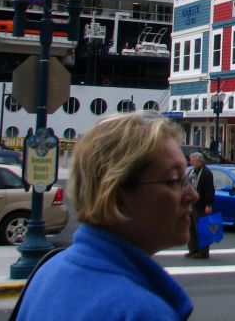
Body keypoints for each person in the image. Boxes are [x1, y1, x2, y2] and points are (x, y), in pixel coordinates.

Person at [14, 112, 196, 320]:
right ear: (118, 198)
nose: (192, 194)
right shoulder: (142, 311)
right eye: (174, 180)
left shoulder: (47, 274)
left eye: (187, 178)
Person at [186, 152, 215, 259]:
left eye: (194, 160)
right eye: (191, 160)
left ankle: (203, 252)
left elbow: (210, 191)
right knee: (191, 228)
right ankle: (193, 250)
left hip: (201, 205)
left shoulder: (206, 173)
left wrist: (209, 204)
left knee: (202, 229)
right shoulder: (191, 172)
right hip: (191, 204)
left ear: (200, 161)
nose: (192, 162)